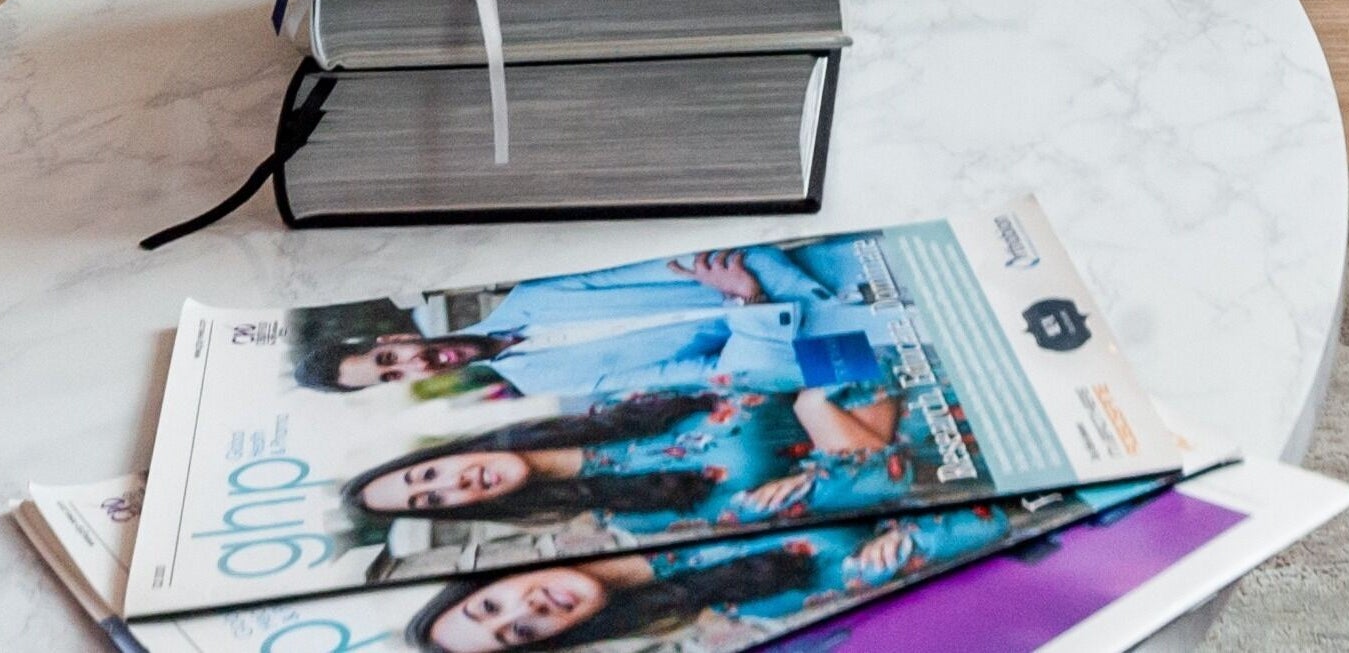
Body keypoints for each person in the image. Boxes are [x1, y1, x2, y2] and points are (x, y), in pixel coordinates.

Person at [294, 251, 899, 400]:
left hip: (824, 269)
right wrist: (749, 309)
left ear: (391, 339)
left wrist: (758, 291)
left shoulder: (537, 284)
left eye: (389, 359)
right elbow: (714, 375)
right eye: (392, 379)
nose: (414, 366)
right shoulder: (545, 386)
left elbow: (703, 258)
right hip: (819, 349)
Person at [345, 386, 918, 542]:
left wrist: (817, 406)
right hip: (939, 438)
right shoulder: (639, 518)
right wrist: (815, 403)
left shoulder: (608, 404)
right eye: (434, 500)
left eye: (427, 475)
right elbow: (860, 486)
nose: (454, 482)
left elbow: (763, 365)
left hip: (904, 364)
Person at [402, 509, 1019, 652]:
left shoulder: (627, 500)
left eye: (491, 605)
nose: (526, 609)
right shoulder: (725, 629)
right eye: (519, 633)